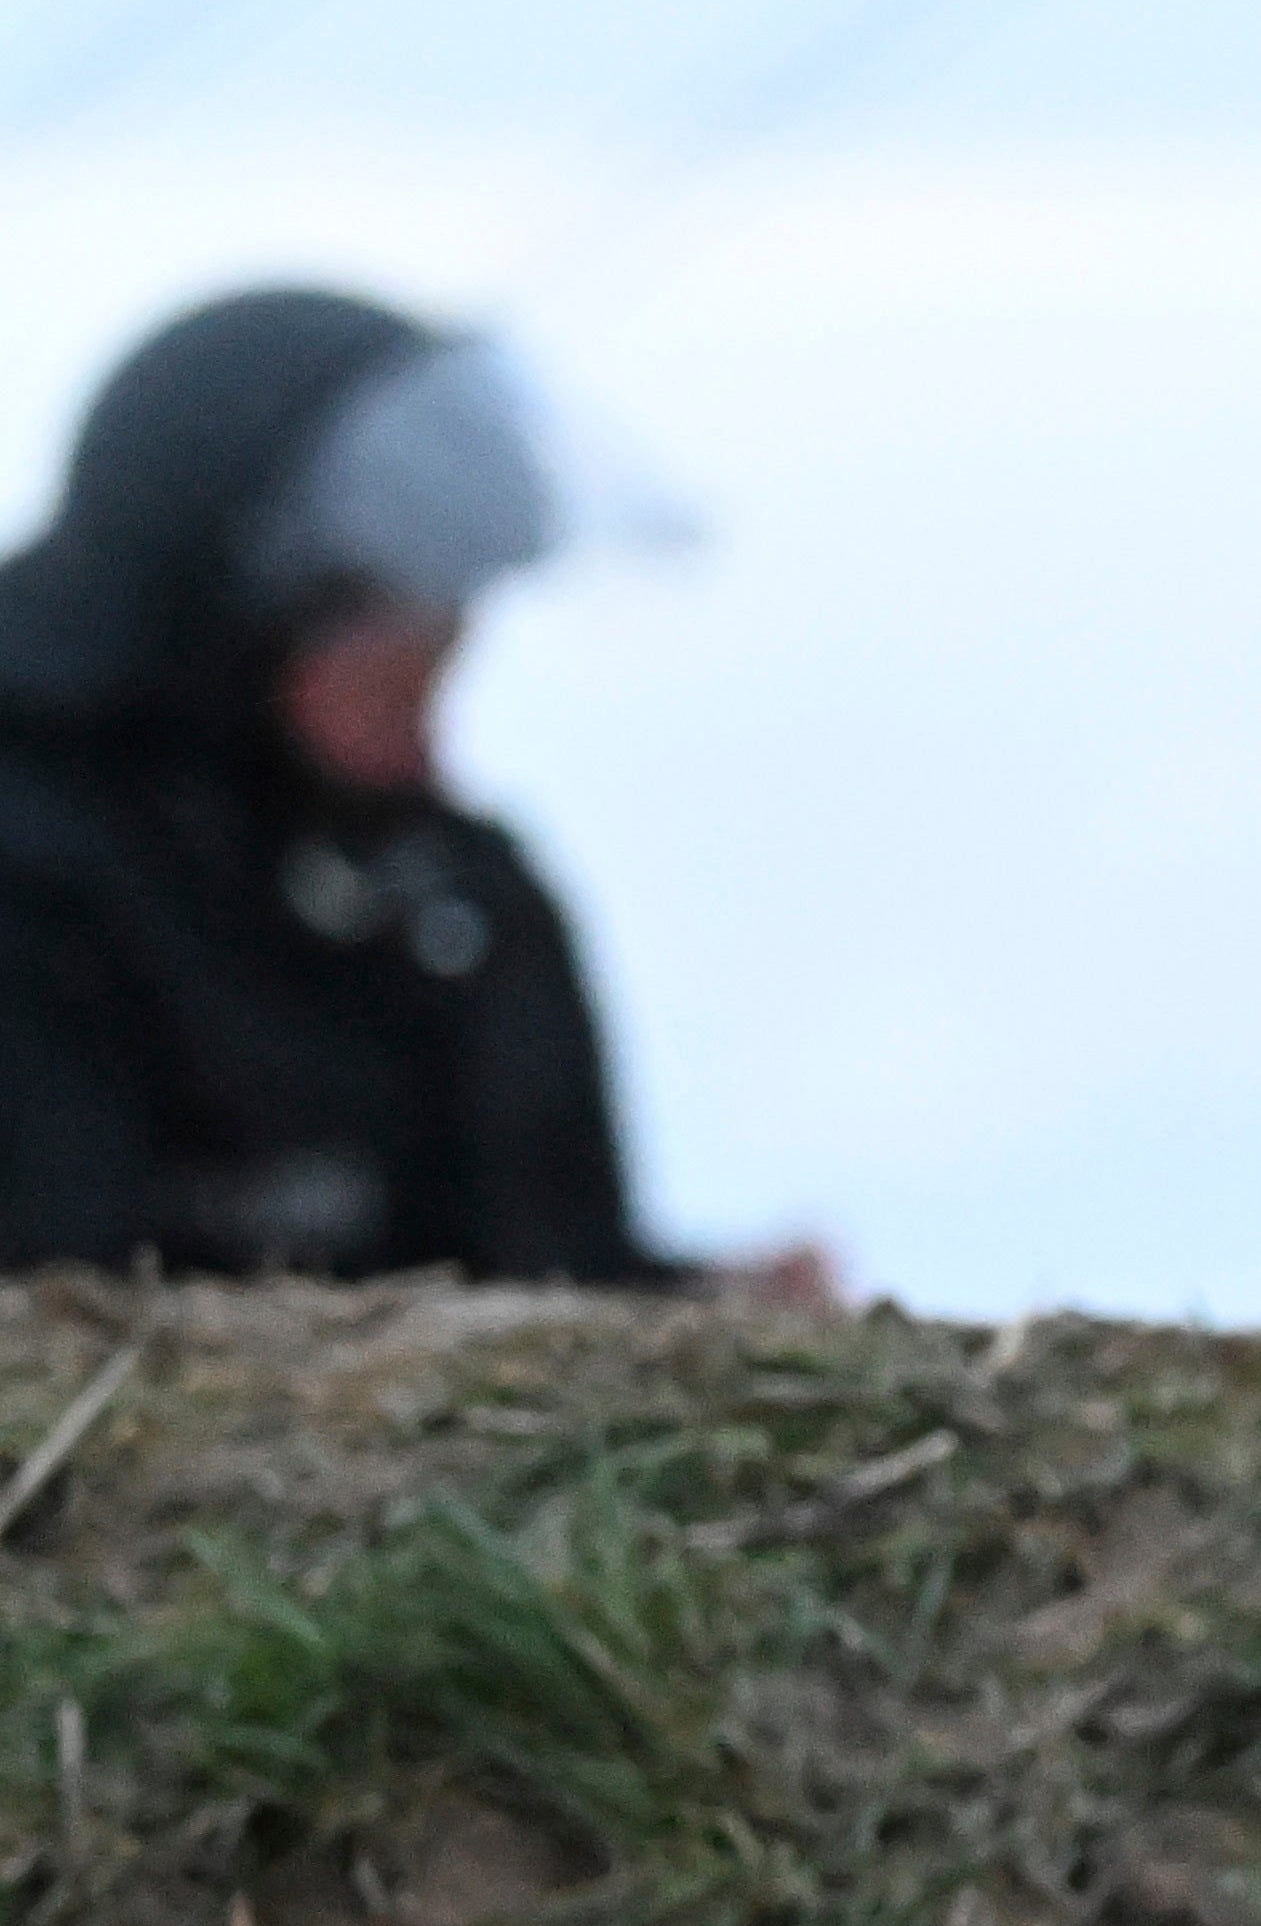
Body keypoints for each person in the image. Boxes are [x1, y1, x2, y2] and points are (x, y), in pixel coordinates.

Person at [0, 287, 788, 1295]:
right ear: (239, 623)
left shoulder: (451, 910)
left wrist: (704, 1317)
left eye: (441, 652)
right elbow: (70, 1307)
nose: (426, 724)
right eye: (391, 645)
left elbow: (545, 1286)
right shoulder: (37, 880)